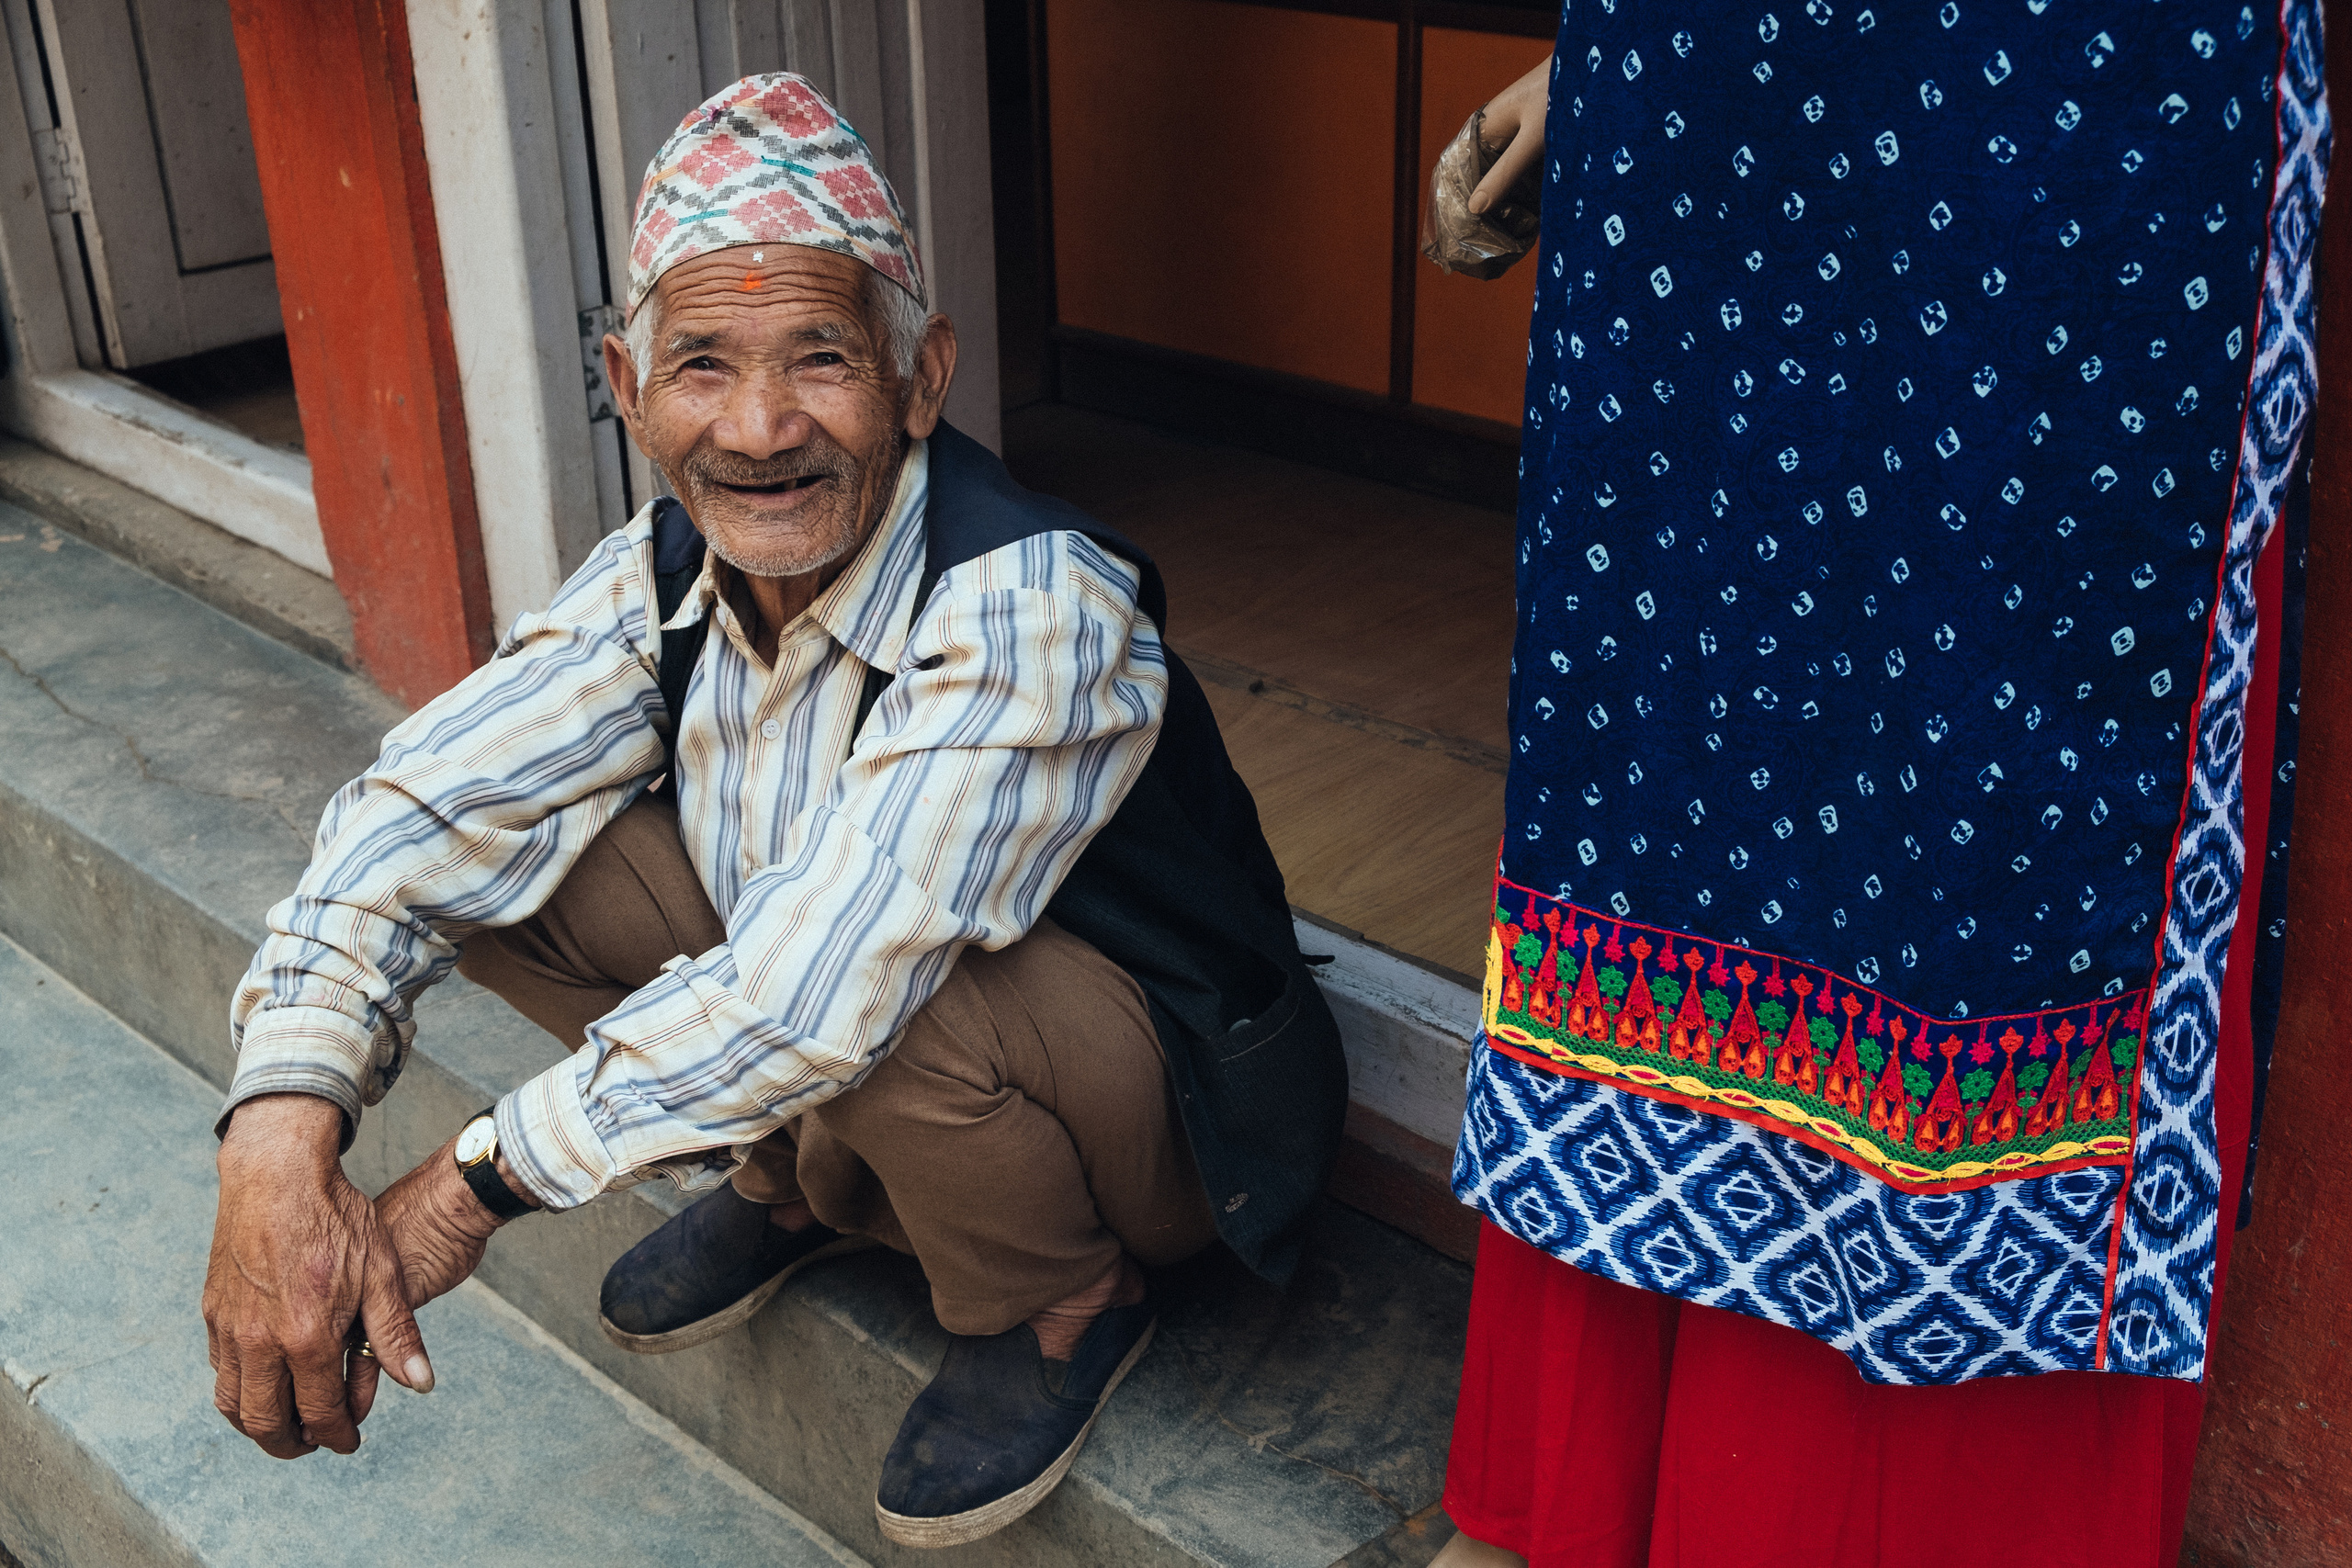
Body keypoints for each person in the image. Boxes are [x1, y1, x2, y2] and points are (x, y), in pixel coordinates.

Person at [199, 73, 1344, 1549]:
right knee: (505, 864)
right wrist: (276, 1140)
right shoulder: (662, 568)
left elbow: (824, 982)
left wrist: (456, 1194)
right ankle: (794, 1179)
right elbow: (412, 817)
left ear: (922, 378)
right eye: (701, 368)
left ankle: (1054, 1294)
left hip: (1170, 1118)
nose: (757, 428)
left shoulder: (1035, 606)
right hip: (848, 1015)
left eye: (820, 357)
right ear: (625, 389)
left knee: (879, 987)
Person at [1428, 5, 2324, 1565]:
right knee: (1657, 747)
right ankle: (1586, 1502)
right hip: (1717, 74)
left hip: (2081, 91)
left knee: (2001, 788)